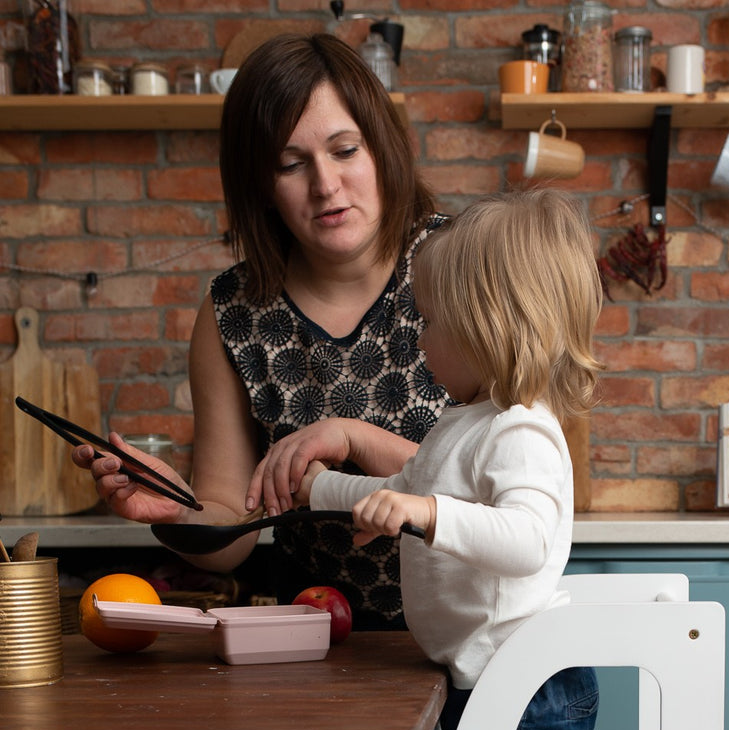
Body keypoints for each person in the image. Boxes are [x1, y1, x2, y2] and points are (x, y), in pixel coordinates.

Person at [296, 189, 603, 730]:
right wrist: (322, 490)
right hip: (485, 678)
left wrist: (427, 514)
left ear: (493, 323)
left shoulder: (523, 429)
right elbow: (405, 482)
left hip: (530, 687)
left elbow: (531, 540)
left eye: (431, 321)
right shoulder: (463, 424)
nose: (420, 337)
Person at [72, 33, 451, 629]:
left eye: (345, 150)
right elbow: (233, 526)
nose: (325, 185)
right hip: (327, 648)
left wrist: (351, 437)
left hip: (487, 648)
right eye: (291, 164)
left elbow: (510, 483)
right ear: (262, 185)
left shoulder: (461, 264)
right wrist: (176, 512)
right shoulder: (236, 311)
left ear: (384, 147)